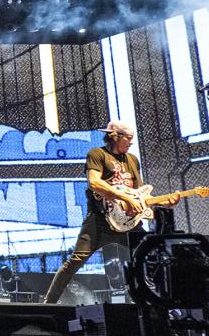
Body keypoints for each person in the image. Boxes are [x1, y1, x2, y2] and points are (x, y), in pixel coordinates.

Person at [43, 121, 179, 304]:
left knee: (151, 256)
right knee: (76, 260)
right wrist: (124, 198)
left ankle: (158, 302)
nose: (131, 142)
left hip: (129, 222)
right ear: (115, 136)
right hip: (100, 220)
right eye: (128, 138)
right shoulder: (97, 155)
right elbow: (95, 183)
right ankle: (49, 303)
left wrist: (164, 202)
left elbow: (139, 194)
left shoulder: (132, 160)